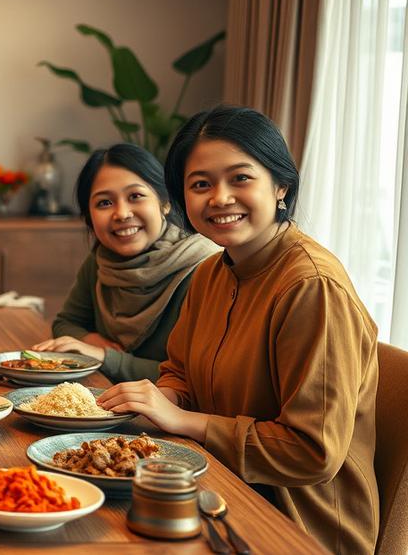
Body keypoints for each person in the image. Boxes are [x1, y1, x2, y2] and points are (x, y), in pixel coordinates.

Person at [97, 106, 379, 554]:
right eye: (201, 184)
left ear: (280, 184)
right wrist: (158, 401)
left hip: (298, 524)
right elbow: (181, 372)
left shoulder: (312, 287)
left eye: (240, 178)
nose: (220, 198)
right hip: (216, 486)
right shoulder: (212, 272)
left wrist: (184, 420)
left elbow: (313, 452)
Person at [31, 144, 216, 382]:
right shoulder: (101, 260)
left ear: (165, 202)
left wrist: (104, 357)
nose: (122, 213)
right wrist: (89, 341)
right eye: (104, 203)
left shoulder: (206, 268)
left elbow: (194, 378)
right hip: (109, 398)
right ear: (89, 216)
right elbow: (67, 322)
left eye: (135, 196)